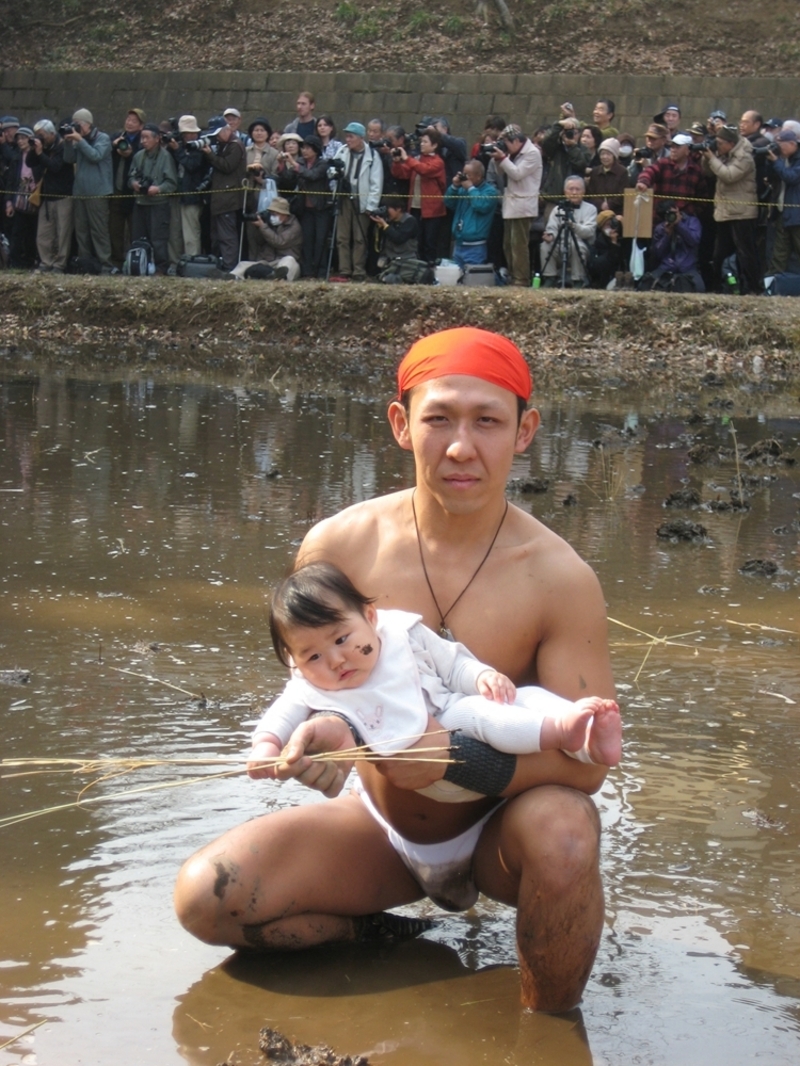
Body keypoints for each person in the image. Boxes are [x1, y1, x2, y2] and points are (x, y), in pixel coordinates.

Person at [174, 325, 615, 1013]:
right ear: (401, 424)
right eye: (438, 418)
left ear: (525, 431)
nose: (461, 447)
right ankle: (386, 937)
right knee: (207, 897)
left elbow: (586, 766)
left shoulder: (561, 580)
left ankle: (547, 1031)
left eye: (488, 422)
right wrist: (323, 737)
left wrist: (456, 763)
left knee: (565, 831)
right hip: (379, 826)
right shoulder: (340, 545)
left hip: (501, 834)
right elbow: (312, 682)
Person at [248, 563, 622, 797]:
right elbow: (281, 716)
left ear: (370, 616)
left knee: (524, 697)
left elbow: (453, 665)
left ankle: (587, 741)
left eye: (342, 638)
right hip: (437, 751)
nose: (335, 660)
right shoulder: (309, 687)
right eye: (312, 656)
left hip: (451, 712)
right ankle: (558, 732)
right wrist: (266, 748)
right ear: (293, 662)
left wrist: (483, 676)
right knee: (481, 713)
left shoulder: (401, 633)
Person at [700, 125, 761, 294]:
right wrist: (707, 157)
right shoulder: (724, 154)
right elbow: (708, 173)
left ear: (730, 143)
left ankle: (755, 288)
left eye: (719, 143)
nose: (717, 146)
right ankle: (717, 287)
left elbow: (729, 176)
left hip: (742, 212)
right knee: (718, 254)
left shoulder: (745, 156)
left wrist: (713, 158)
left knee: (746, 253)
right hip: (725, 211)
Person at [490, 124, 542, 286]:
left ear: (516, 141)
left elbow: (517, 173)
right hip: (511, 203)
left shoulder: (532, 153)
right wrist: (498, 158)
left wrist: (504, 159)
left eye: (506, 143)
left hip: (523, 205)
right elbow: (501, 173)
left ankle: (521, 279)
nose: (505, 147)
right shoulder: (513, 153)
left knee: (519, 245)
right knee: (508, 244)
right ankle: (512, 276)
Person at [63, 108, 114, 271]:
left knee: (99, 230)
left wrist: (80, 140)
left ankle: (105, 264)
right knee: (81, 231)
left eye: (78, 124)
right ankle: (84, 264)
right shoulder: (79, 140)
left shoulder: (102, 138)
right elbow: (68, 159)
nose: (76, 127)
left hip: (98, 193)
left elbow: (95, 156)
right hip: (80, 192)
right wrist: (68, 142)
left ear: (88, 124)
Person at [331, 122, 383, 282]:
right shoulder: (342, 151)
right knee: (342, 236)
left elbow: (376, 183)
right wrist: (335, 174)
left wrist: (371, 206)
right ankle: (344, 269)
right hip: (344, 198)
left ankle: (359, 269)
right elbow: (332, 168)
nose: (348, 139)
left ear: (361, 138)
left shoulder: (372, 156)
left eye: (351, 136)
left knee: (360, 237)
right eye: (346, 136)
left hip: (362, 200)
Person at [390, 126, 447, 264]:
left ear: (434, 145)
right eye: (421, 142)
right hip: (415, 207)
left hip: (432, 210)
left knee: (429, 242)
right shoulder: (417, 159)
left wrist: (406, 158)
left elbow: (424, 170)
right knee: (417, 241)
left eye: (425, 142)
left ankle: (431, 269)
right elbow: (402, 173)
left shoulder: (438, 162)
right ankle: (418, 269)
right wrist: (397, 161)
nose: (421, 144)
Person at [128, 124, 178, 274]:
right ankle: (138, 266)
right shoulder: (138, 156)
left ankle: (161, 268)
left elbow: (172, 183)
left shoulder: (165, 156)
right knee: (137, 237)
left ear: (157, 139)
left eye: (147, 137)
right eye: (142, 137)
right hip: (140, 202)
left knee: (158, 239)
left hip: (159, 204)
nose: (143, 141)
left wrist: (159, 189)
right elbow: (130, 176)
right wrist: (134, 184)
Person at [28, 119, 73, 273]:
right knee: (43, 234)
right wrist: (34, 149)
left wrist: (41, 153)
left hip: (63, 197)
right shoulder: (44, 148)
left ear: (52, 133)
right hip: (47, 197)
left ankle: (60, 264)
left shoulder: (62, 147)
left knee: (63, 233)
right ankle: (45, 262)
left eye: (42, 135)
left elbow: (55, 167)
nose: (40, 138)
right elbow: (29, 163)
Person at [203, 119, 246, 272]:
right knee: (217, 235)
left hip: (229, 198)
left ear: (227, 130)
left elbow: (227, 166)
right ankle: (219, 264)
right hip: (220, 198)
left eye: (218, 134)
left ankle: (230, 267)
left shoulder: (236, 146)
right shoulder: (224, 144)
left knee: (228, 236)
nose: (217, 138)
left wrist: (210, 155)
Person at [540, 176, 597, 287]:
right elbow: (552, 227)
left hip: (580, 244)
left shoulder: (591, 209)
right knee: (545, 246)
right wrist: (550, 235)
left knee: (576, 246)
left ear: (583, 192)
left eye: (577, 189)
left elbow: (589, 231)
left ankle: (578, 280)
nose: (574, 192)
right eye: (571, 189)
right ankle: (549, 278)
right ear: (565, 192)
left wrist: (574, 226)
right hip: (559, 244)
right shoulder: (557, 209)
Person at [169, 116, 212, 259]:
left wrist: (178, 151)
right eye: (187, 132)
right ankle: (175, 262)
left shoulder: (200, 146)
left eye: (193, 132)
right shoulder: (179, 145)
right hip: (177, 193)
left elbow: (192, 165)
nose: (191, 135)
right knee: (174, 232)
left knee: (191, 233)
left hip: (193, 195)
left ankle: (192, 261)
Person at [443, 159, 496, 269]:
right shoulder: (463, 189)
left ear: (478, 176)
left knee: (472, 279)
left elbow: (481, 206)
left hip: (476, 245)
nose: (465, 178)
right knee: (456, 278)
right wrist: (454, 186)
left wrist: (471, 189)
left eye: (468, 175)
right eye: (463, 174)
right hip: (459, 242)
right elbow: (448, 203)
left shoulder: (490, 192)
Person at [109, 108, 145, 267]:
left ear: (141, 125)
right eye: (128, 119)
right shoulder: (117, 137)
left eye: (134, 121)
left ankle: (134, 261)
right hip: (116, 189)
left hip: (133, 191)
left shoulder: (143, 141)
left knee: (135, 229)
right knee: (114, 228)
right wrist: (113, 146)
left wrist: (131, 153)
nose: (129, 123)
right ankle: (116, 260)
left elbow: (143, 160)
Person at [295, 134, 333, 278]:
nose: (304, 151)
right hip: (305, 209)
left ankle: (321, 271)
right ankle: (307, 271)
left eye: (308, 148)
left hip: (321, 208)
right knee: (307, 240)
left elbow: (313, 175)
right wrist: (282, 165)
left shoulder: (322, 164)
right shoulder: (300, 162)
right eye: (303, 148)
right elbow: (288, 178)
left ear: (316, 150)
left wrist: (295, 166)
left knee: (321, 240)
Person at [766, 129, 800, 274]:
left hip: (797, 214)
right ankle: (772, 288)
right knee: (778, 254)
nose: (778, 149)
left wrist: (776, 162)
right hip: (783, 213)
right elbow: (773, 177)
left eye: (781, 145)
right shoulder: (784, 158)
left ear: (792, 144)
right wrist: (770, 162)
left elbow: (791, 177)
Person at [250, 195, 302, 280]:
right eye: (271, 214)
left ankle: (279, 278)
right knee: (243, 265)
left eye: (276, 214)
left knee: (289, 261)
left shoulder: (294, 226)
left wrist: (263, 227)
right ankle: (232, 277)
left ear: (285, 214)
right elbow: (259, 241)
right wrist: (258, 227)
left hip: (283, 260)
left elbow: (279, 242)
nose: (272, 217)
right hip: (267, 262)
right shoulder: (269, 223)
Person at [586, 137, 629, 216]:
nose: (605, 157)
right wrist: (601, 204)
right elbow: (590, 193)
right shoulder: (595, 172)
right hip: (597, 211)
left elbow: (622, 194)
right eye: (602, 154)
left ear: (614, 156)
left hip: (617, 212)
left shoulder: (622, 172)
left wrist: (609, 204)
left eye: (608, 154)